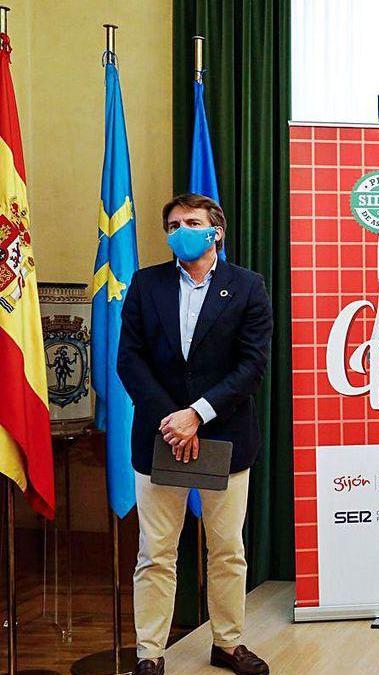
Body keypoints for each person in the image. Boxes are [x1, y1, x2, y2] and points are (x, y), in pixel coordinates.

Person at [118, 194, 272, 675]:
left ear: (215, 232)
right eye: (172, 223)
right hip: (160, 435)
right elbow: (130, 361)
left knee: (227, 550)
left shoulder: (247, 286)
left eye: (191, 222)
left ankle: (227, 643)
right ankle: (150, 654)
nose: (179, 229)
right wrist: (174, 418)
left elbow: (252, 364)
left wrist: (198, 415)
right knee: (156, 553)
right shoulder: (146, 285)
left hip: (224, 438)